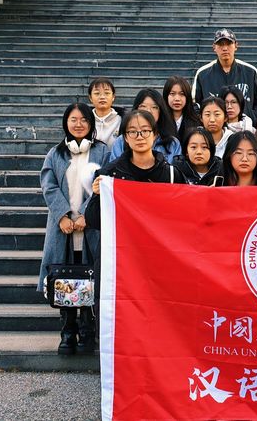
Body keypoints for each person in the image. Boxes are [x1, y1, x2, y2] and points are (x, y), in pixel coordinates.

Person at [38, 102, 110, 355]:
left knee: (91, 278)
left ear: (91, 123)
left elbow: (105, 183)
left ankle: (88, 333)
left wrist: (87, 215)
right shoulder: (55, 154)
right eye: (73, 120)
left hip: (91, 227)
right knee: (63, 278)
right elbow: (48, 186)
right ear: (66, 123)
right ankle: (68, 333)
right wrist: (63, 216)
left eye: (84, 120)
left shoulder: (102, 152)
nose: (79, 124)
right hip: (64, 229)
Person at [192, 28, 257, 123]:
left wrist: (251, 121)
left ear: (236, 45)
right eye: (220, 44)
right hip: (214, 129)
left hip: (246, 128)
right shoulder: (203, 74)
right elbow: (195, 105)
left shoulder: (251, 72)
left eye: (229, 44)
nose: (225, 48)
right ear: (214, 47)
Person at [109, 88, 181, 164]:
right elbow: (114, 168)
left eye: (154, 107)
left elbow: (176, 169)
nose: (149, 111)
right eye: (143, 106)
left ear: (161, 111)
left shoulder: (172, 143)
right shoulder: (121, 141)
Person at [87, 77, 125, 148]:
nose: (102, 97)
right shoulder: (85, 120)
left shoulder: (122, 120)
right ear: (90, 98)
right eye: (97, 93)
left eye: (107, 93)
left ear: (113, 97)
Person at [163, 75, 201, 141]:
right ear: (166, 96)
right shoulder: (160, 120)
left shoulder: (196, 121)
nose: (177, 99)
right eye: (172, 94)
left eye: (182, 94)